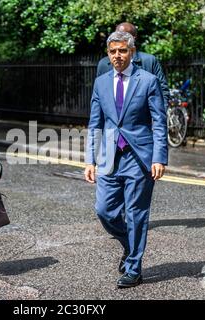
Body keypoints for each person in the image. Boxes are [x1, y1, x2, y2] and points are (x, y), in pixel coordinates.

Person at [84, 31, 168, 288]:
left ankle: (133, 268)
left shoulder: (148, 80)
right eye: (112, 52)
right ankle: (129, 246)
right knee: (104, 211)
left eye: (122, 51)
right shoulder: (101, 82)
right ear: (108, 54)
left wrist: (159, 156)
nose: (117, 56)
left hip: (139, 156)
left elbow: (159, 122)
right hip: (110, 156)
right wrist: (90, 159)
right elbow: (95, 123)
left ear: (131, 52)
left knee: (136, 214)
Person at [96, 22, 170, 107]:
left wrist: (158, 116)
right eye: (116, 34)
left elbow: (162, 91)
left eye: (123, 35)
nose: (118, 38)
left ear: (134, 39)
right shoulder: (104, 64)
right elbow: (99, 96)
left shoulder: (149, 61)